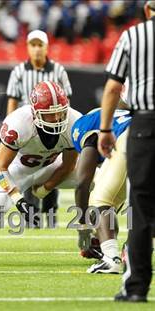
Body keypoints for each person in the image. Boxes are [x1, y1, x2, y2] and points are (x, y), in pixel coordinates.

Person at [0, 81, 82, 265]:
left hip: (53, 167)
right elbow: (0, 166)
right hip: (18, 171)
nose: (58, 118)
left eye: (60, 112)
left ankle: (97, 242)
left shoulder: (74, 121)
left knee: (95, 179)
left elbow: (68, 166)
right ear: (35, 113)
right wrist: (18, 200)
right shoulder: (19, 123)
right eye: (50, 114)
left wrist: (43, 190)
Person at [98, 1, 155, 302]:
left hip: (145, 123)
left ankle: (135, 288)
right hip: (143, 122)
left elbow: (112, 87)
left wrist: (106, 130)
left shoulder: (133, 36)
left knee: (141, 208)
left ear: (148, 10)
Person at [6, 30, 73, 227]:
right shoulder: (19, 71)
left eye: (40, 45)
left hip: (53, 128)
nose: (36, 49)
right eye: (33, 45)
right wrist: (11, 129)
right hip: (28, 130)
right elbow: (13, 101)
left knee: (54, 169)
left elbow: (66, 102)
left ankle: (51, 217)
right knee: (28, 171)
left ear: (46, 47)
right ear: (27, 47)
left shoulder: (58, 70)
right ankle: (32, 219)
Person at [72, 107, 131, 273]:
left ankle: (111, 258)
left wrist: (83, 227)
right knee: (143, 201)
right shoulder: (121, 117)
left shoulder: (86, 125)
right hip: (143, 133)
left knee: (100, 200)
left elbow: (82, 183)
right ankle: (133, 247)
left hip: (133, 138)